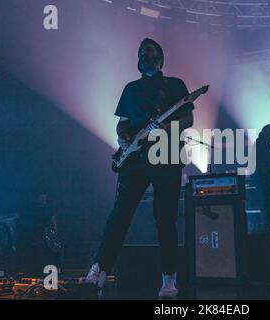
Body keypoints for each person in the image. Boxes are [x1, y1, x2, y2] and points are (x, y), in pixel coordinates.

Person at [86, 38, 194, 299]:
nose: (144, 55)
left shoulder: (176, 85)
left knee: (164, 218)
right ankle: (99, 271)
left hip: (166, 156)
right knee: (120, 215)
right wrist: (123, 137)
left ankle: (169, 279)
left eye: (149, 51)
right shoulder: (130, 89)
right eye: (140, 52)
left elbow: (188, 118)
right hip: (134, 159)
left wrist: (166, 128)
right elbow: (122, 123)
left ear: (160, 57)